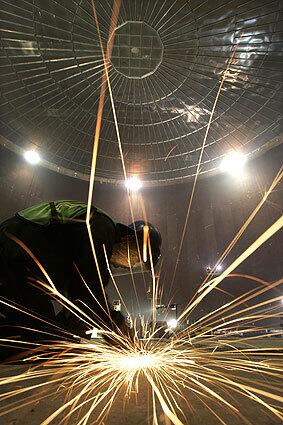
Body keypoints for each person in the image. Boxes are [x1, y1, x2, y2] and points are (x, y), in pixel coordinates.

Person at [0, 200, 161, 350]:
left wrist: (71, 332)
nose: (131, 266)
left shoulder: (98, 240)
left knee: (48, 338)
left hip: (22, 265)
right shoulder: (102, 228)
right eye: (138, 259)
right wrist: (117, 327)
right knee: (35, 340)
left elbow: (79, 298)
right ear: (130, 239)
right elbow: (90, 291)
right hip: (12, 252)